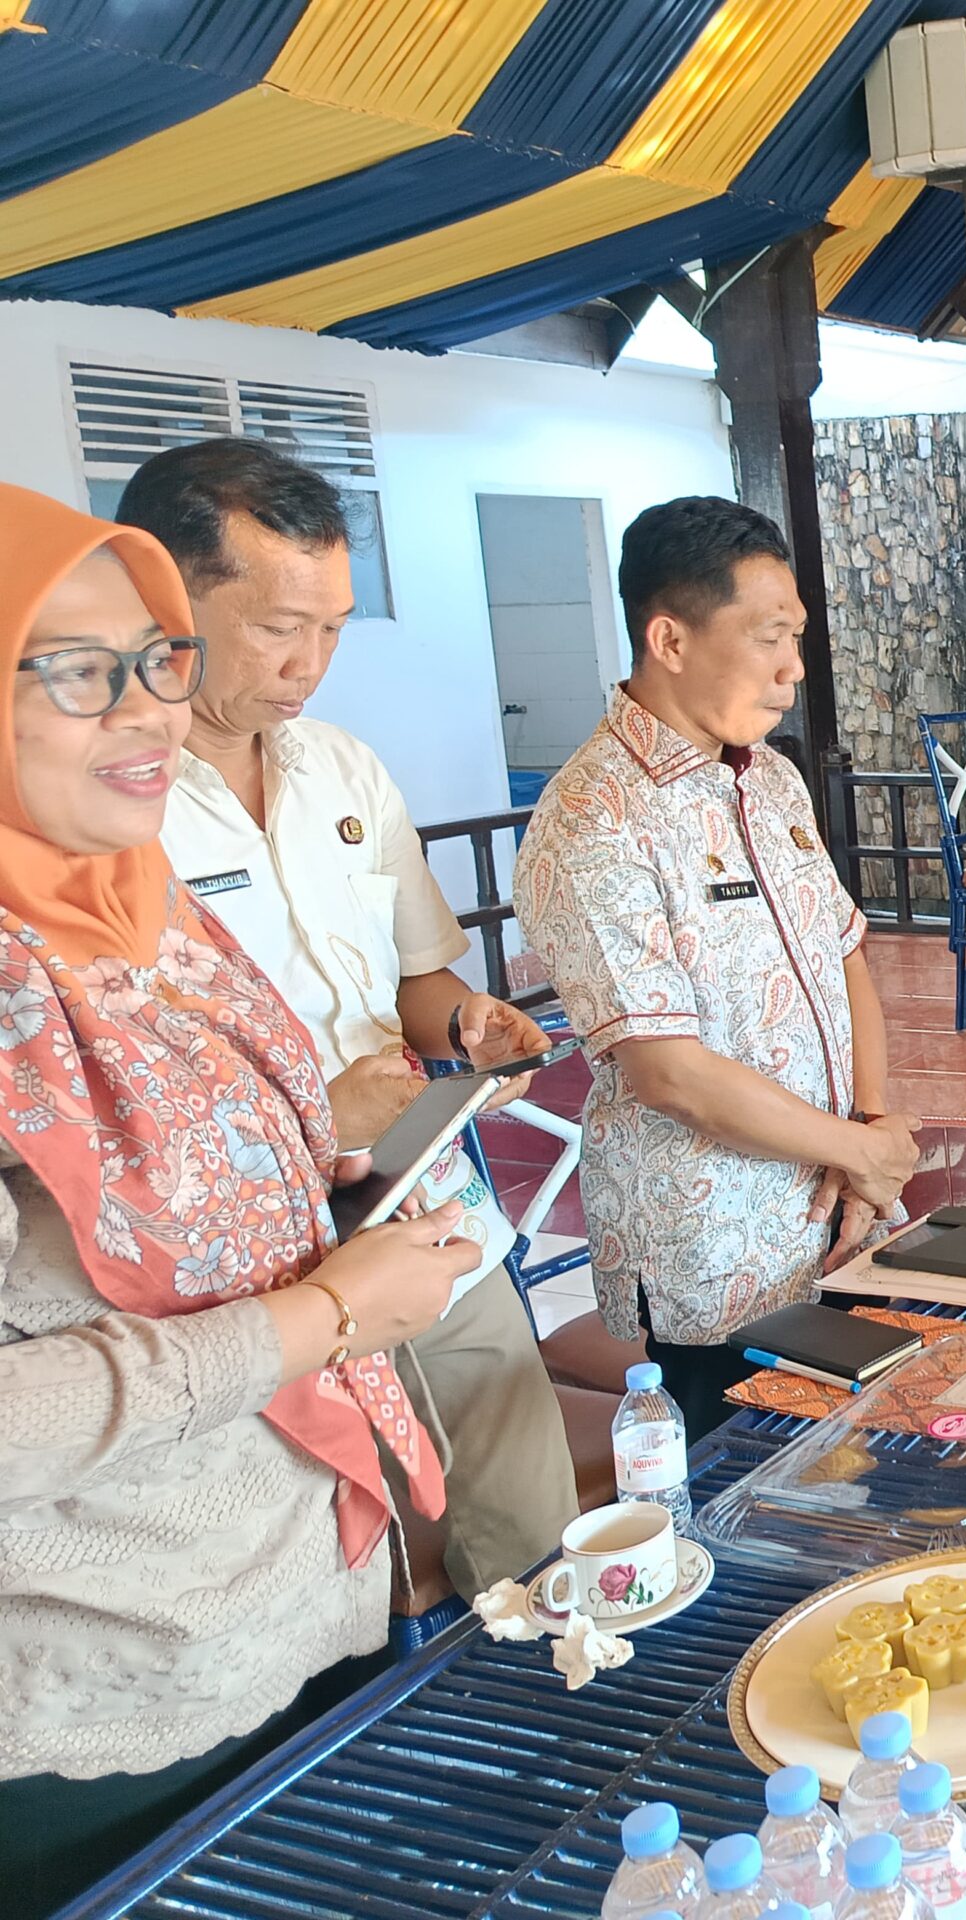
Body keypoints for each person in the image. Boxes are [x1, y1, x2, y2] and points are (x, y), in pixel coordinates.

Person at [0, 485, 476, 1910]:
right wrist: (321, 1318)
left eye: (156, 661)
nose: (147, 711)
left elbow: (184, 1179)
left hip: (304, 1604)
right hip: (112, 1705)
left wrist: (322, 1164)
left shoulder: (144, 908)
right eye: (75, 672)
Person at [125, 439, 577, 1600]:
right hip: (242, 1268)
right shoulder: (106, 808)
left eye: (332, 627)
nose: (310, 664)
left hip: (423, 1200)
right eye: (279, 627)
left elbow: (418, 980)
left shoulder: (342, 771)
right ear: (161, 600)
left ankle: (539, 1667)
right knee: (333, 1564)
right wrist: (316, 1119)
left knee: (525, 1508)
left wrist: (467, 1023)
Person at [515, 497, 918, 1436]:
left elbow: (843, 955)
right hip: (714, 1254)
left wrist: (866, 1135)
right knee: (745, 1481)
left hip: (838, 1206)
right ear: (670, 639)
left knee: (859, 1459)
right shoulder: (595, 818)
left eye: (796, 637)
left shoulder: (768, 776)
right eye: (769, 637)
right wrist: (856, 1152)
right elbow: (668, 1071)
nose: (793, 668)